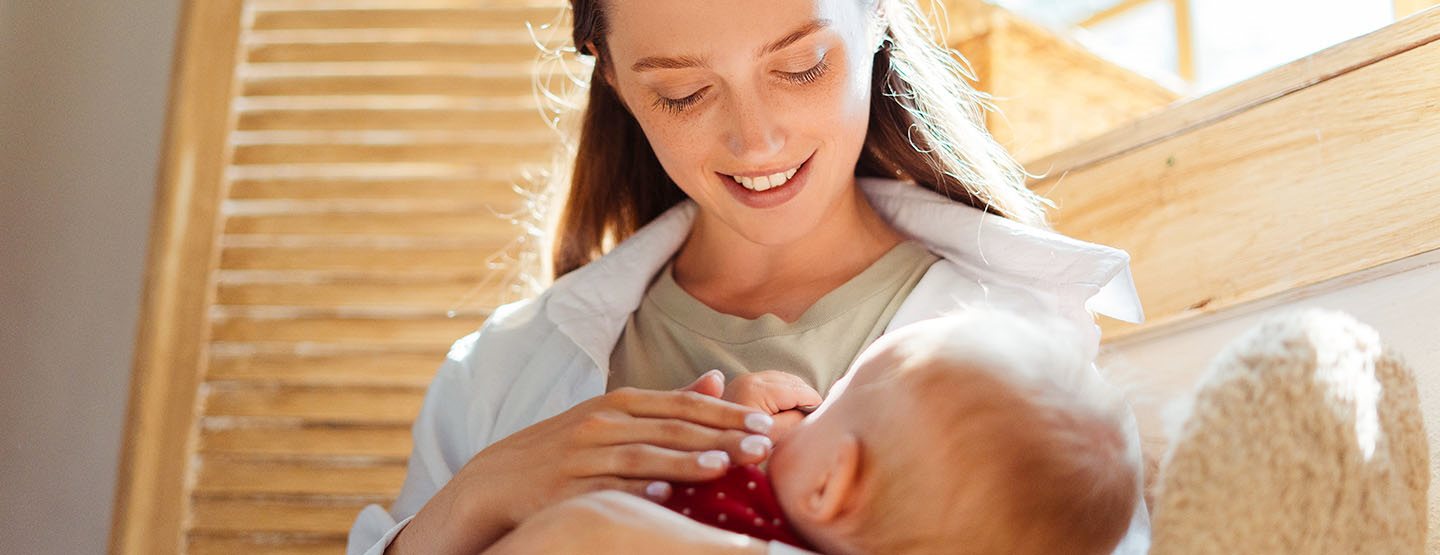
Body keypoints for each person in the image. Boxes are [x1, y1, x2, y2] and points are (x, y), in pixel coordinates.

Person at [346, 0, 1150, 553]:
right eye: (684, 92)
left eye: (801, 67)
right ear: (616, 77)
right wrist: (471, 501)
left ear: (876, 13)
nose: (757, 141)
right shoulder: (499, 371)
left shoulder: (1021, 366)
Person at [650, 309, 1141, 555]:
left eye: (836, 397)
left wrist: (726, 432)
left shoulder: (716, 510)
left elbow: (623, 479)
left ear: (827, 486)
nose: (809, 405)